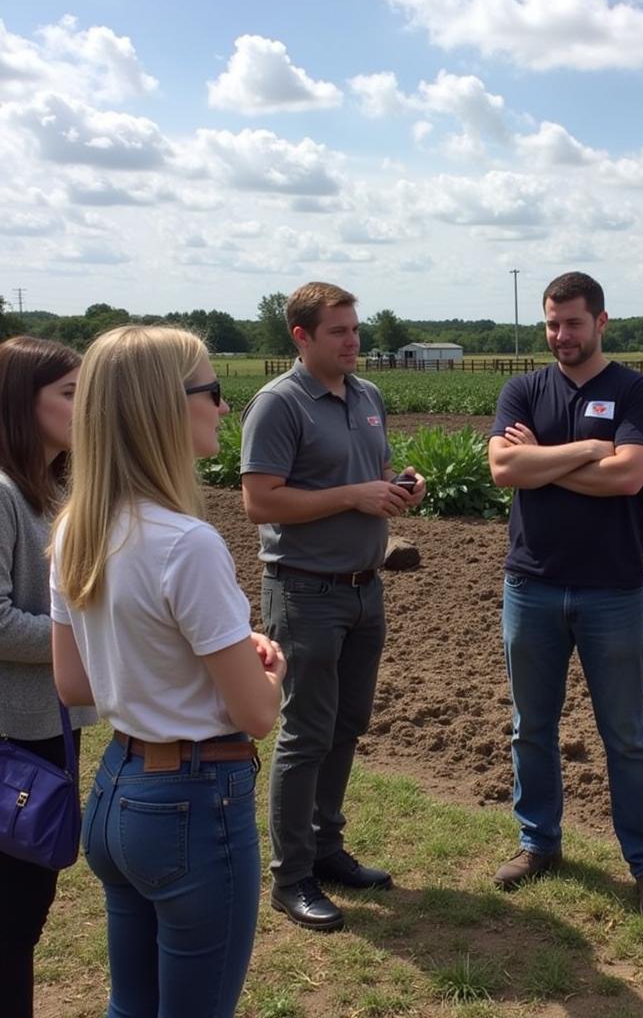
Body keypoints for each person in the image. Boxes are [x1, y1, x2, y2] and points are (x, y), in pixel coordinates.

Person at [50, 326, 286, 1018]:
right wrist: (269, 667)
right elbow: (257, 717)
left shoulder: (76, 529)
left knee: (132, 1004)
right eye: (211, 391)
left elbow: (76, 685)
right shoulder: (188, 544)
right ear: (162, 407)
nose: (222, 405)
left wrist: (213, 661)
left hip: (117, 794)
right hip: (195, 801)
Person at [488, 271, 643, 922]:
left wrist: (546, 461)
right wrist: (588, 451)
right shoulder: (522, 389)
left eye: (572, 322)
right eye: (551, 323)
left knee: (625, 734)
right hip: (531, 585)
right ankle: (538, 844)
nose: (560, 335)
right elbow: (502, 469)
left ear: (601, 321)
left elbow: (628, 478)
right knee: (530, 729)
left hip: (612, 591)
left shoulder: (635, 390)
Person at [240, 281, 425, 931]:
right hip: (305, 591)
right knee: (304, 734)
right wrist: (354, 496)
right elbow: (261, 501)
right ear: (302, 336)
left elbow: (371, 475)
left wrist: (401, 489)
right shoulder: (278, 404)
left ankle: (325, 848)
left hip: (363, 588)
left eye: (355, 328)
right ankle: (290, 877)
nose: (354, 341)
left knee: (346, 725)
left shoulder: (366, 396)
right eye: (340, 332)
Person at [0, 336, 95, 1018]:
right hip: (13, 739)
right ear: (18, 403)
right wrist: (90, 648)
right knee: (13, 915)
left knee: (27, 910)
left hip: (47, 728)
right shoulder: (3, 493)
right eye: (69, 393)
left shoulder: (56, 488)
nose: (85, 405)